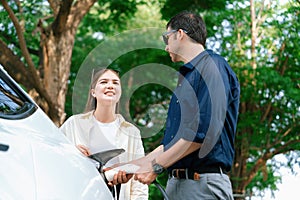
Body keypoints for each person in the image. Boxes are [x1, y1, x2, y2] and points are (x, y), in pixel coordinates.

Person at [113, 11, 240, 199]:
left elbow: (202, 135)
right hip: (177, 186)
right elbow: (170, 144)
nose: (166, 47)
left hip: (202, 186)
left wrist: (156, 167)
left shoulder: (213, 67)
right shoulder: (187, 79)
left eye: (167, 38)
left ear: (180, 34)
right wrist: (129, 167)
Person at [60, 69, 148, 200]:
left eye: (115, 83)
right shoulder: (73, 124)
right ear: (93, 92)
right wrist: (71, 152)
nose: (110, 85)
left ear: (120, 93)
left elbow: (138, 183)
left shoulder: (132, 133)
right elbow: (52, 155)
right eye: (104, 82)